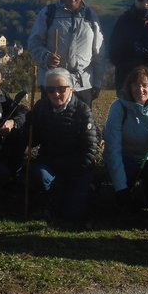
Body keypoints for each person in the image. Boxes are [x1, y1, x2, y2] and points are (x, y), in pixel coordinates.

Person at [25, 68, 98, 226]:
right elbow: (33, 140)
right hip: (49, 167)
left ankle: (84, 190)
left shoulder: (83, 111)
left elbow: (90, 152)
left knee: (73, 213)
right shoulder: (41, 107)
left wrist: (65, 167)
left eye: (61, 89)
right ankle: (49, 201)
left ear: (71, 88)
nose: (56, 94)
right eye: (50, 90)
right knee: (36, 173)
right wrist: (28, 124)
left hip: (77, 169)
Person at [103, 66, 148, 209]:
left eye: (144, 85)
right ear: (129, 87)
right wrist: (121, 188)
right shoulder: (119, 107)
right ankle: (123, 193)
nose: (140, 89)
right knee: (127, 174)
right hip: (126, 157)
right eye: (136, 85)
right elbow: (113, 148)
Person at [27, 0, 104, 108]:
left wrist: (97, 82)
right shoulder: (48, 13)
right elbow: (34, 43)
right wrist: (46, 57)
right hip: (53, 86)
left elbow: (98, 52)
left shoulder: (91, 16)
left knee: (80, 127)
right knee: (52, 127)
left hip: (82, 85)